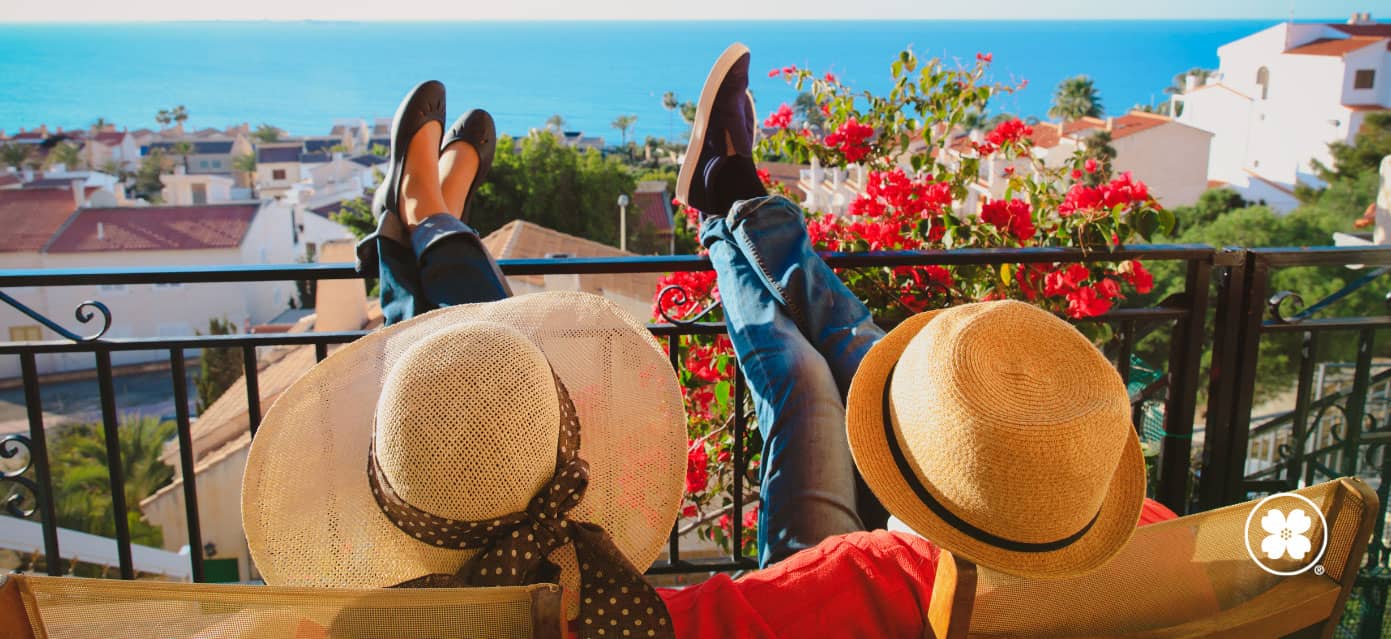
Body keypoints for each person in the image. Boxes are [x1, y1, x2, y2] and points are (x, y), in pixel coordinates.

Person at [244, 45, 1180, 638]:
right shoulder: (1161, 552)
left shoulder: (840, 582)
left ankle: (422, 229)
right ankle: (717, 204)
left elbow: (588, 592)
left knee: (511, 395)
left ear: (921, 482)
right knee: (813, 375)